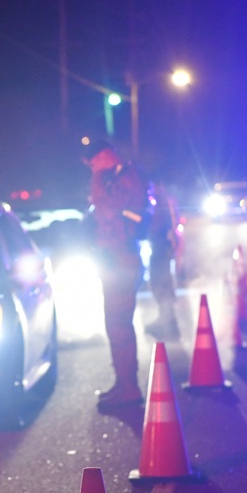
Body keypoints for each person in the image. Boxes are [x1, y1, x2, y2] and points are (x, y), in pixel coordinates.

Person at [82, 140, 151, 411]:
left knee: (119, 324)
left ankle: (129, 388)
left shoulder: (127, 178)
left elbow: (107, 210)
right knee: (116, 324)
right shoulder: (120, 178)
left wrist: (99, 178)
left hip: (122, 258)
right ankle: (124, 383)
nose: (92, 167)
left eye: (94, 162)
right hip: (116, 259)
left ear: (104, 156)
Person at [144, 181, 181, 340]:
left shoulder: (161, 202)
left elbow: (156, 225)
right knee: (161, 282)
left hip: (161, 247)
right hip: (162, 247)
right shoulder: (164, 201)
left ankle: (169, 323)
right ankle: (167, 320)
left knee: (160, 282)